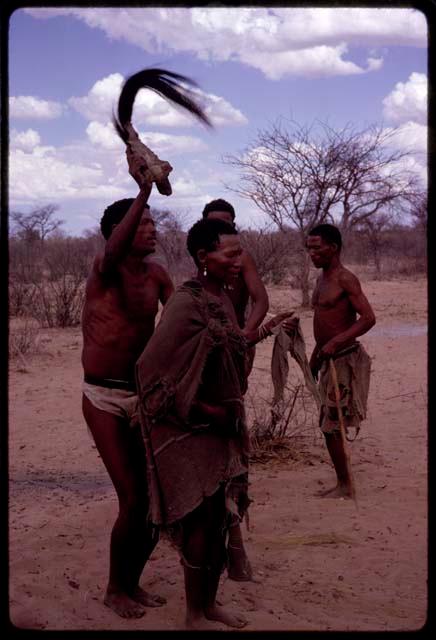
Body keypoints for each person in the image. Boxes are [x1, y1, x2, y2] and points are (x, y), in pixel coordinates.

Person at [135, 218, 294, 629]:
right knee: (199, 522)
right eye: (231, 254)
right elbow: (149, 372)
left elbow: (231, 346)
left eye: (240, 253)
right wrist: (206, 412)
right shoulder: (186, 303)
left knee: (219, 518)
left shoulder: (221, 297)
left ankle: (209, 605)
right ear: (204, 257)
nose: (239, 261)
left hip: (222, 429)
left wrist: (270, 330)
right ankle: (194, 613)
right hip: (191, 429)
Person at [81, 148, 174, 618]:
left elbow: (182, 323)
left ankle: (131, 584)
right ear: (120, 233)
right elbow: (114, 248)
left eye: (154, 223)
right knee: (133, 497)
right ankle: (115, 590)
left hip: (144, 396)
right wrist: (143, 187)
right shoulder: (105, 269)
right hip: (103, 397)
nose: (153, 229)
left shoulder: (158, 276)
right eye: (143, 224)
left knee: (154, 501)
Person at [202, 198, 268, 581]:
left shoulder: (241, 261)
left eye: (226, 225)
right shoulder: (202, 266)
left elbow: (259, 299)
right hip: (209, 357)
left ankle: (234, 540)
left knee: (231, 432)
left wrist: (245, 334)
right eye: (213, 226)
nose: (221, 233)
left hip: (235, 355)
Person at [306, 223, 376, 499]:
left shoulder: (345, 279)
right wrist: (315, 358)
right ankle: (343, 482)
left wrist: (338, 342)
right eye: (309, 248)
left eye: (316, 247)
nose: (312, 253)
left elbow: (369, 318)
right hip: (327, 359)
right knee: (328, 422)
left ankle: (345, 485)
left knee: (331, 424)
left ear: (333, 248)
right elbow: (323, 325)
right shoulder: (321, 280)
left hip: (343, 361)